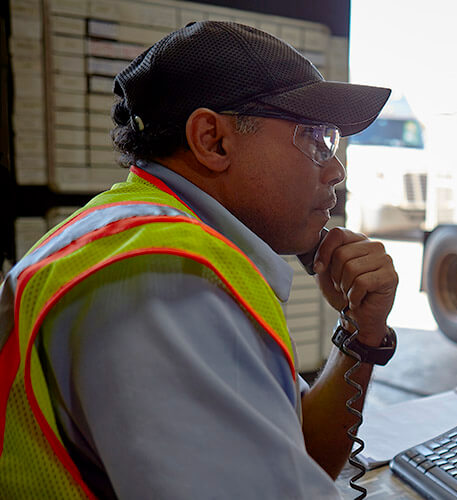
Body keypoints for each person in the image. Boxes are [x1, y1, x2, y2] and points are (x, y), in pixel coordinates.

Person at [0, 21, 398, 499]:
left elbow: (301, 453)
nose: (335, 170)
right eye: (315, 138)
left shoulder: (141, 234)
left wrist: (359, 330)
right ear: (213, 140)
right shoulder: (163, 280)